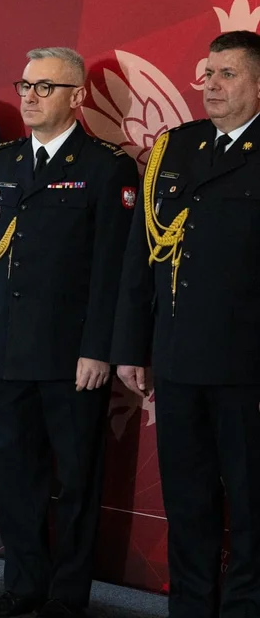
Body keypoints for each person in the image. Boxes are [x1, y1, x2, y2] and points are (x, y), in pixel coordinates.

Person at [0, 48, 137, 618]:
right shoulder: (4, 164)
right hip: (9, 348)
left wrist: (99, 350)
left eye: (44, 87)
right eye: (24, 85)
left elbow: (114, 271)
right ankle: (23, 585)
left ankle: (67, 593)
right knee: (16, 475)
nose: (28, 97)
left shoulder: (107, 167)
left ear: (77, 97)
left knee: (77, 482)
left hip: (72, 357)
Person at [112, 30, 260, 617]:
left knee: (250, 502)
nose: (212, 86)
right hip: (176, 359)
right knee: (187, 497)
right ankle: (192, 607)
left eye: (227, 74)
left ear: (257, 83)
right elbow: (139, 258)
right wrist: (132, 346)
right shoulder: (176, 149)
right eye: (209, 72)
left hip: (246, 364)